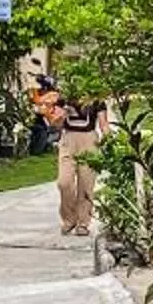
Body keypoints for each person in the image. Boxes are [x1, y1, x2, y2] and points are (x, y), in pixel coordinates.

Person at [51, 87, 104, 238]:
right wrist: (61, 115)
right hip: (68, 140)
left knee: (86, 185)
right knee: (64, 182)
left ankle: (83, 223)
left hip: (89, 140)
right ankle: (69, 219)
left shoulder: (97, 98)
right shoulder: (63, 98)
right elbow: (56, 124)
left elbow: (103, 124)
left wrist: (110, 142)